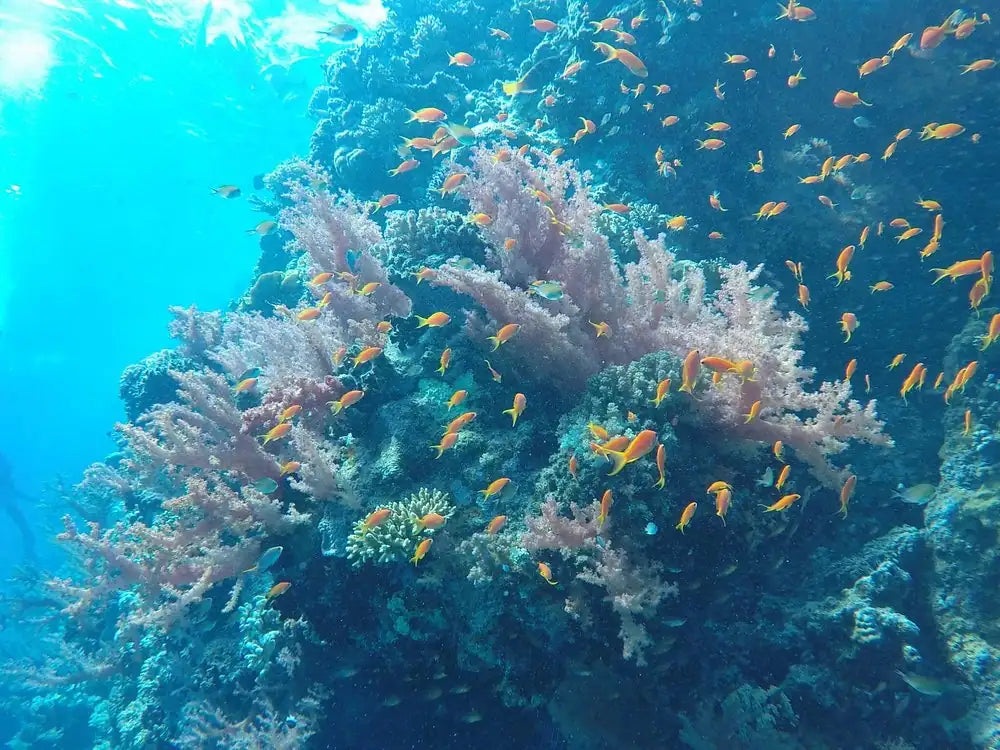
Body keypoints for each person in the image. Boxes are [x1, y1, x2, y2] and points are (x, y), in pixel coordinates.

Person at [0, 453, 36, 561]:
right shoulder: (5, 480)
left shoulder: (6, 480)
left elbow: (13, 492)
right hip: (10, 507)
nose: (11, 467)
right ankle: (28, 559)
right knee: (27, 533)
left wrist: (31, 498)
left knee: (27, 533)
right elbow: (11, 493)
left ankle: (29, 558)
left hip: (11, 506)